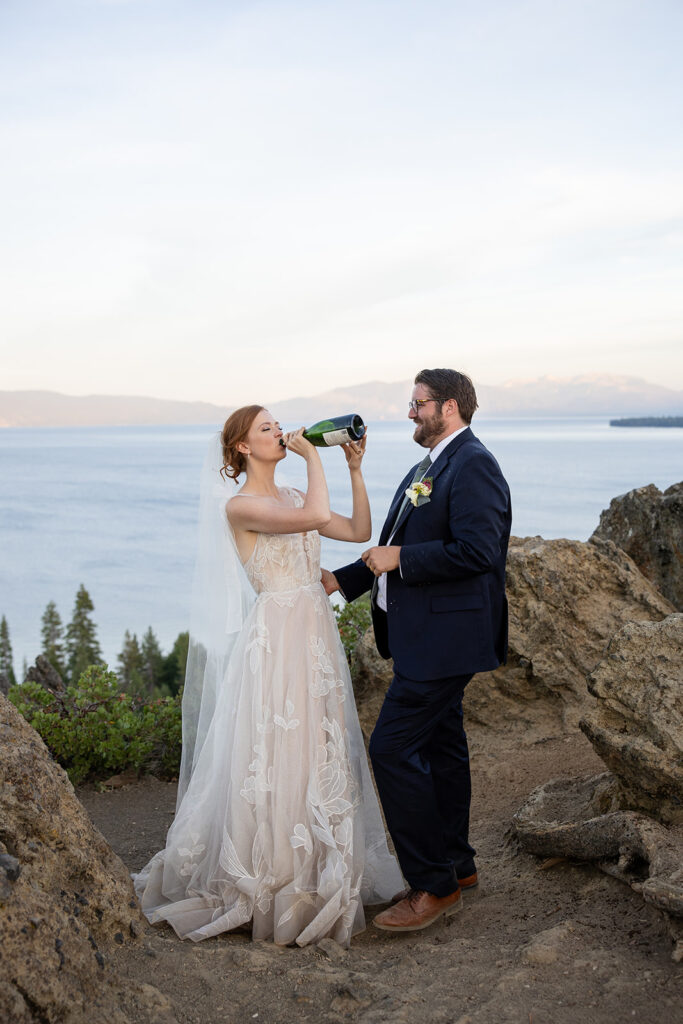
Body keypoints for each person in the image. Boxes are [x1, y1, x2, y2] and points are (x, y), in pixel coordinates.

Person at [133, 406, 402, 947]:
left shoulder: (297, 498)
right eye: (267, 429)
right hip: (277, 637)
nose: (280, 432)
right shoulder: (242, 507)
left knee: (314, 747)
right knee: (278, 749)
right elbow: (316, 516)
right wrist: (311, 458)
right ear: (242, 448)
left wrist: (352, 467)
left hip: (313, 632)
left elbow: (358, 530)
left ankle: (316, 869)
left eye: (279, 425)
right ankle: (275, 878)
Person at [322, 369, 511, 933]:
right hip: (426, 637)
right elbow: (393, 546)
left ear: (448, 407)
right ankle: (457, 863)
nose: (410, 413)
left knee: (392, 748)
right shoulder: (428, 466)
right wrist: (344, 579)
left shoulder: (473, 464)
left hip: (447, 640)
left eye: (417, 404)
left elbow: (478, 551)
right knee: (443, 746)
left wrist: (400, 559)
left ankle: (433, 884)